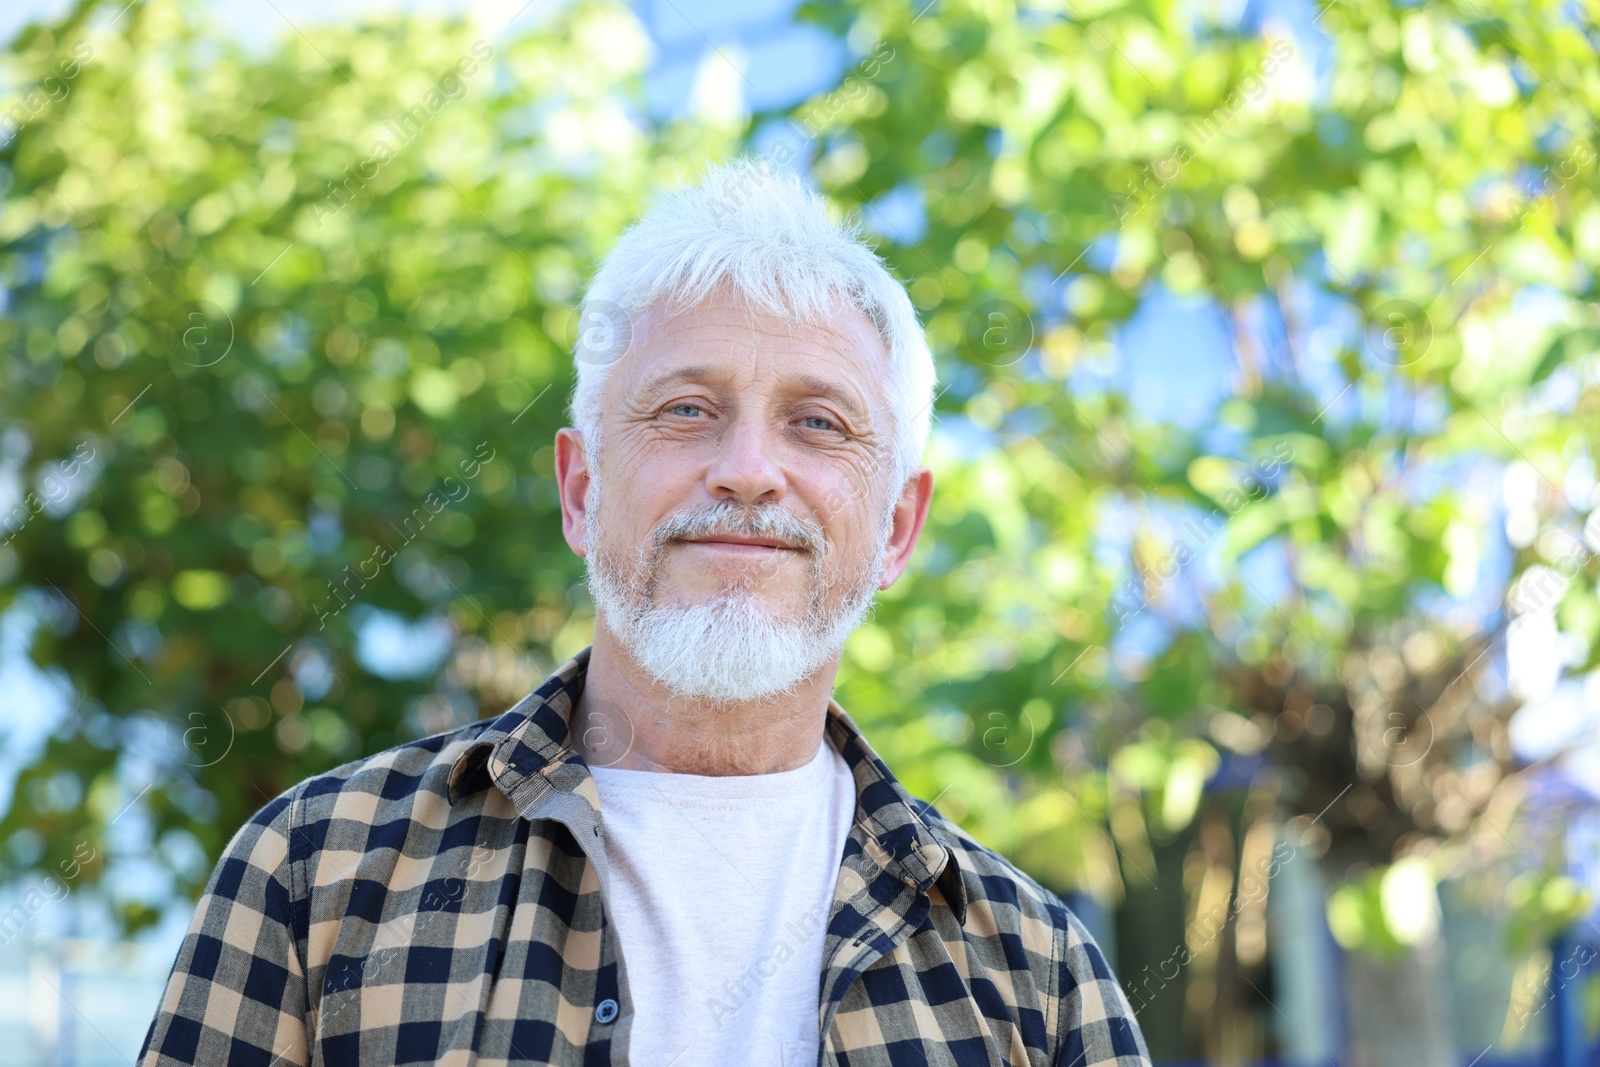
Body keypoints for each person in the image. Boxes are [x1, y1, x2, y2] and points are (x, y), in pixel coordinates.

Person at [137, 160, 1152, 1067]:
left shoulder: (1035, 974)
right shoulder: (315, 872)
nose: (749, 470)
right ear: (581, 491)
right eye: (685, 410)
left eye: (818, 422)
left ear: (897, 526)